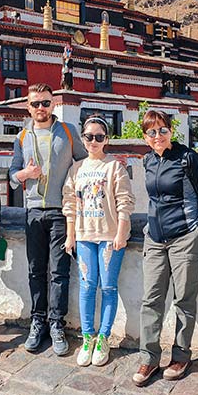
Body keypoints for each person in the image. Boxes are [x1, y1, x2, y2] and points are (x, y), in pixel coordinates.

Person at [133, 110, 198, 387]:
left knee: (183, 300)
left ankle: (181, 355)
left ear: (171, 131)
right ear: (145, 137)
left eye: (162, 130)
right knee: (151, 300)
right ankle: (149, 357)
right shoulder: (147, 160)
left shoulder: (186, 158)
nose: (158, 136)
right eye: (151, 132)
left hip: (185, 237)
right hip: (155, 239)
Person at [9, 82, 87, 355]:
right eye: (35, 103)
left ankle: (56, 323)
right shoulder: (21, 137)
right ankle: (38, 321)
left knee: (59, 272)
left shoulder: (67, 131)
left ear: (53, 104)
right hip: (32, 213)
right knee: (35, 271)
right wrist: (24, 175)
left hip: (60, 212)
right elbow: (12, 175)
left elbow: (83, 164)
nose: (41, 108)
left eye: (46, 102)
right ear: (27, 107)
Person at [62, 116, 135, 367]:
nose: (94, 141)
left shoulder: (114, 167)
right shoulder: (77, 168)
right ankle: (88, 337)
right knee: (87, 286)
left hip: (109, 236)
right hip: (84, 236)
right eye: (89, 136)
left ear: (107, 140)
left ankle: (103, 337)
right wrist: (70, 235)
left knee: (108, 287)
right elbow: (70, 203)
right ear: (83, 139)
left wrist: (121, 233)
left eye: (99, 137)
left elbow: (125, 201)